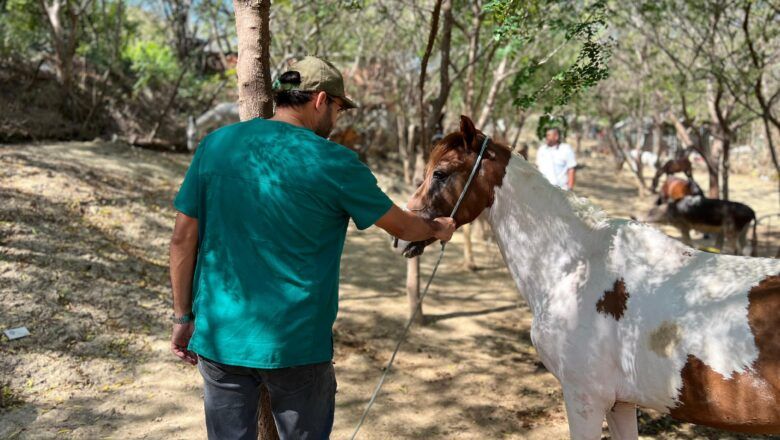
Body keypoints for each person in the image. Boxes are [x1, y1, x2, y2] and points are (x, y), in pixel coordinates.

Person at [168, 56, 455, 440]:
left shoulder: (216, 145)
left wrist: (182, 316)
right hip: (298, 346)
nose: (337, 120)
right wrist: (436, 227)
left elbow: (182, 240)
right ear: (320, 100)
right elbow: (403, 226)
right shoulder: (334, 162)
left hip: (221, 337)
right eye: (338, 108)